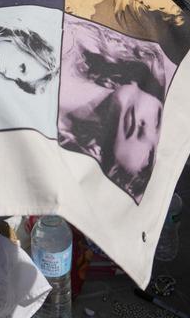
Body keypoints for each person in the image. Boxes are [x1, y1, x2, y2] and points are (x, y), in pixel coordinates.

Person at [58, 18, 172, 202]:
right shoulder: (86, 42)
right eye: (157, 120)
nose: (145, 130)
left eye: (149, 155)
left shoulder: (61, 159)